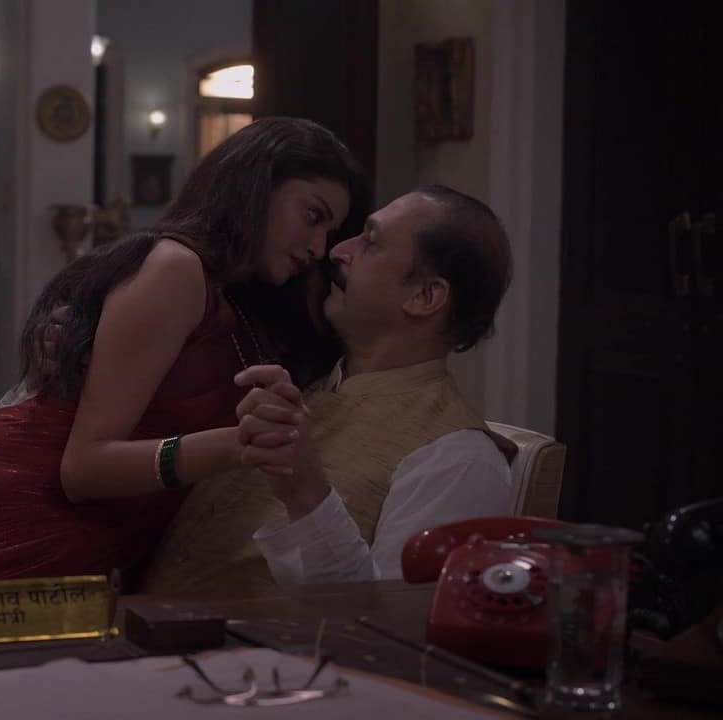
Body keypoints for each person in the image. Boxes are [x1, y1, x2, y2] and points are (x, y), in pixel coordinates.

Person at [0, 118, 367, 587]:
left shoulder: (242, 300)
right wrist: (238, 445)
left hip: (93, 546)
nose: (318, 247)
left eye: (331, 232)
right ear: (256, 187)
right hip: (4, 527)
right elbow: (83, 468)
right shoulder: (177, 268)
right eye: (313, 216)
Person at [139, 185, 517, 594]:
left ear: (425, 296)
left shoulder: (459, 459)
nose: (337, 251)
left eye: (370, 241)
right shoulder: (308, 383)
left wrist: (306, 490)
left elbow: (390, 623)